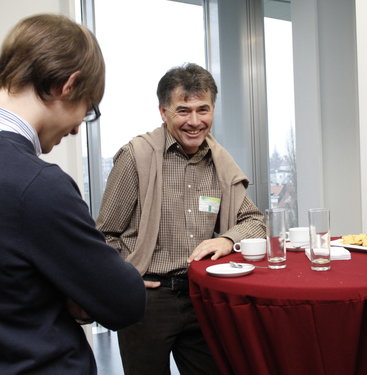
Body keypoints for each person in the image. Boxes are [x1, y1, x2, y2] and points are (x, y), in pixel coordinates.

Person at [96, 62, 266, 375]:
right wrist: (128, 274)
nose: (195, 121)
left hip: (203, 293)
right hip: (148, 298)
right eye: (183, 110)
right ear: (163, 111)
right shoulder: (136, 157)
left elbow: (255, 221)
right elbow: (105, 235)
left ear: (214, 108)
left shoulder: (221, 162)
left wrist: (226, 239)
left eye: (203, 109)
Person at [0, 14, 146, 375]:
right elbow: (125, 301)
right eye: (89, 107)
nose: (80, 127)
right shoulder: (37, 186)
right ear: (69, 85)